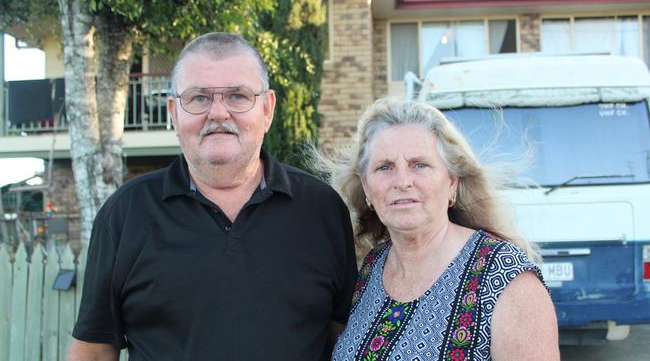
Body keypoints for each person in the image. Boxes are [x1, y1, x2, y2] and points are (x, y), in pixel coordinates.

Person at [67, 32, 357, 361]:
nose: (218, 113)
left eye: (237, 96)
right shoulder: (125, 214)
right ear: (174, 112)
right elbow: (92, 351)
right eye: (199, 98)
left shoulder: (321, 209)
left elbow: (342, 339)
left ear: (267, 108)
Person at [328, 98, 560, 360]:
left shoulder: (506, 278)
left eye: (419, 165)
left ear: (451, 181)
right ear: (367, 188)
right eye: (384, 167)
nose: (402, 181)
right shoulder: (370, 268)